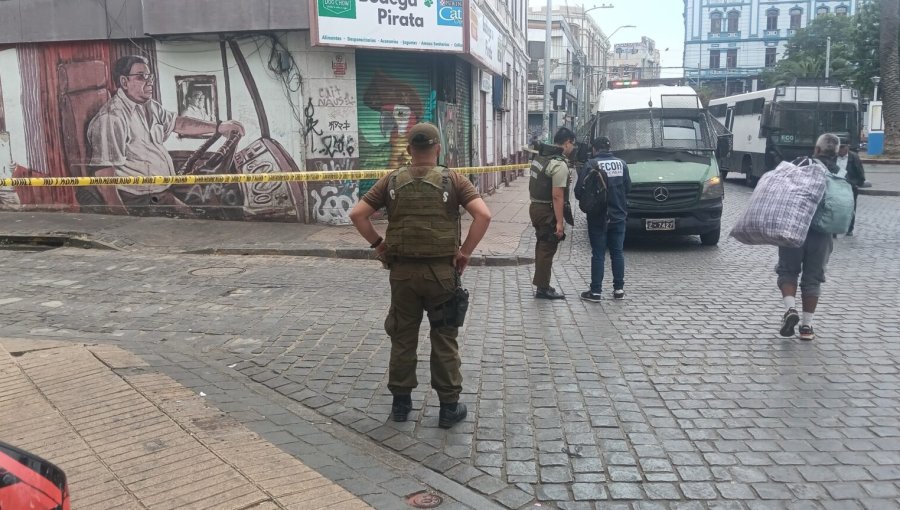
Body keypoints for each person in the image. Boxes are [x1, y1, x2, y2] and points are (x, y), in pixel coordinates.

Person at [349, 122, 492, 429]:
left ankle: (401, 405)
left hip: (402, 274)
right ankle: (448, 408)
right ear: (438, 148)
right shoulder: (454, 180)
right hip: (442, 273)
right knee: (444, 338)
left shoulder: (390, 180)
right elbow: (484, 215)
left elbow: (357, 214)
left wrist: (379, 245)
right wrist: (464, 252)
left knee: (402, 336)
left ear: (409, 150)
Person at [88, 55, 244, 215]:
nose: (149, 81)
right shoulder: (112, 118)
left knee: (211, 199)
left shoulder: (149, 106)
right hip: (140, 197)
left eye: (150, 76)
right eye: (141, 76)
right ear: (124, 82)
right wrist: (123, 218)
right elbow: (104, 174)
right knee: (197, 220)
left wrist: (218, 127)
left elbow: (179, 124)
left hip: (166, 185)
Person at [777, 133, 840, 341]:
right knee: (813, 279)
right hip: (822, 234)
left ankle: (790, 310)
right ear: (837, 153)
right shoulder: (839, 172)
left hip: (795, 227)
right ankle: (806, 326)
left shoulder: (802, 163)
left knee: (788, 271)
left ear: (817, 149)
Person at [577, 136, 631, 302]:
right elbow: (628, 187)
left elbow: (579, 191)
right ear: (609, 147)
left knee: (598, 254)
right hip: (619, 216)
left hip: (598, 217)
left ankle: (595, 292)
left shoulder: (591, 164)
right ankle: (619, 290)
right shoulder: (622, 164)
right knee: (617, 253)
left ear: (594, 148)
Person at [529, 127, 575, 300]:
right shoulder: (558, 163)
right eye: (572, 144)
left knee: (542, 245)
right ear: (567, 142)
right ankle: (543, 288)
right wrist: (559, 223)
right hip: (547, 210)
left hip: (535, 207)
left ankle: (542, 284)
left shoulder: (542, 156)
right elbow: (557, 196)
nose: (572, 148)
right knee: (547, 247)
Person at [836, 140, 866, 236]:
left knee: (851, 208)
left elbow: (860, 172)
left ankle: (849, 229)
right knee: (834, 207)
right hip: (836, 186)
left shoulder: (854, 157)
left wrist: (857, 183)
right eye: (839, 147)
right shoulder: (833, 157)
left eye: (843, 147)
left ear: (847, 147)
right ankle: (833, 229)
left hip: (850, 186)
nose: (840, 149)